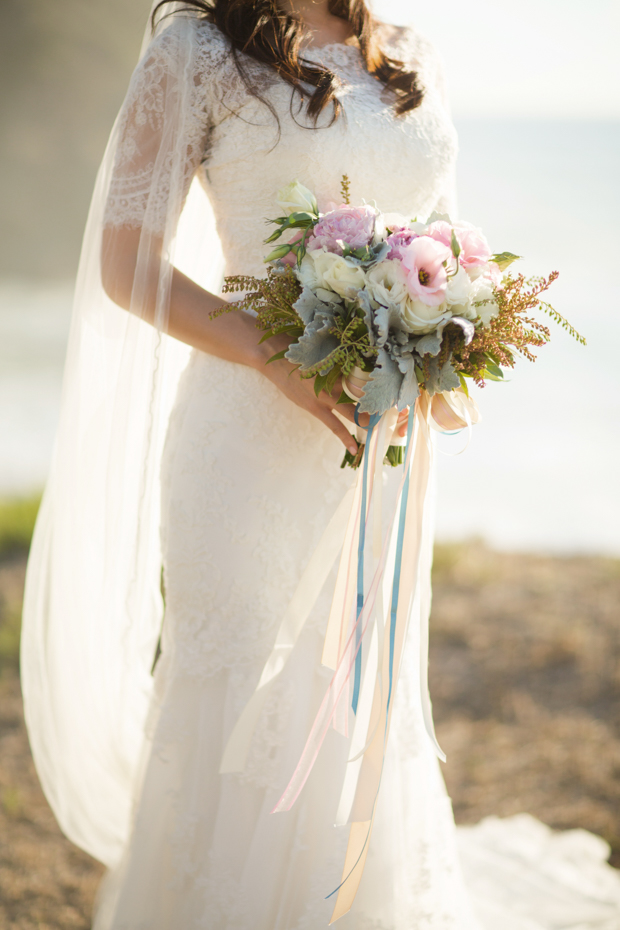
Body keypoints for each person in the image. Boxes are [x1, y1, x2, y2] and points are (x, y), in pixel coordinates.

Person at [21, 1, 620, 928]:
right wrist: (273, 351)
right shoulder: (197, 51)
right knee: (239, 688)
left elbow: (445, 238)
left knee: (356, 691)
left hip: (381, 444)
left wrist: (444, 340)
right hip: (241, 446)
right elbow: (125, 258)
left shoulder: (415, 56)